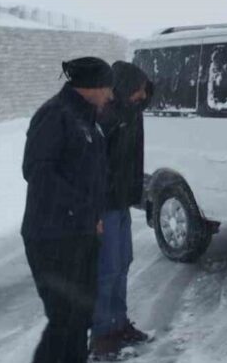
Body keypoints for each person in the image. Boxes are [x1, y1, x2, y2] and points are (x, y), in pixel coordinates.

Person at [21, 57, 113, 363]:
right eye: (107, 88)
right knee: (65, 320)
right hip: (52, 237)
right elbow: (38, 172)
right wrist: (84, 212)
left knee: (80, 317)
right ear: (91, 88)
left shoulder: (86, 117)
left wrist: (93, 216)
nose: (110, 96)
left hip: (79, 233)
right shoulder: (55, 115)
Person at [90, 61, 154, 359]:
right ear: (126, 89)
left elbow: (149, 95)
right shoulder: (103, 118)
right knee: (107, 271)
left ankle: (119, 324)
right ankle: (102, 337)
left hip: (121, 203)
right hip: (103, 207)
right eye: (139, 90)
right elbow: (87, 169)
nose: (143, 96)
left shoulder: (131, 111)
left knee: (123, 264)